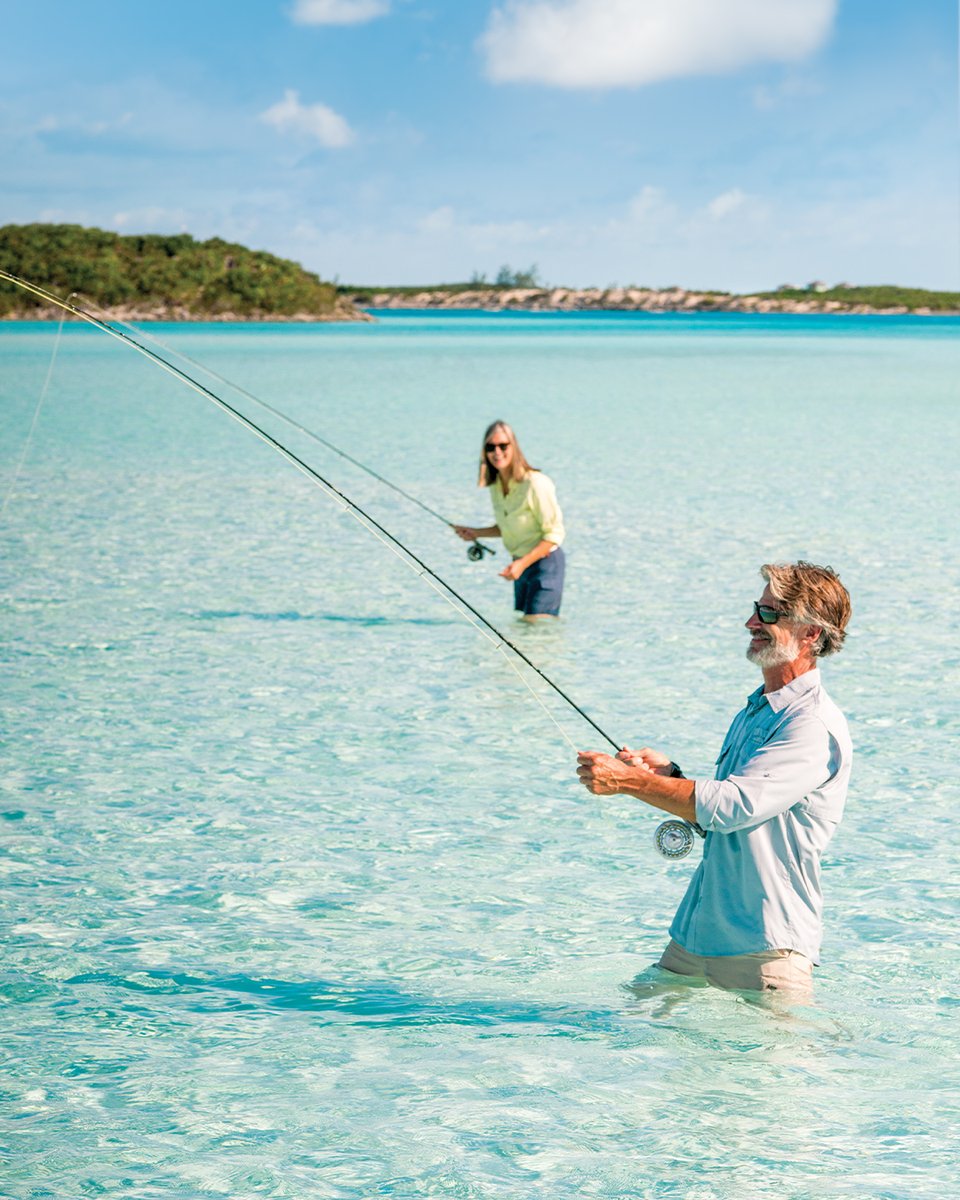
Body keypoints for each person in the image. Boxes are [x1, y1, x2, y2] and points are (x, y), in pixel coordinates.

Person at [577, 561, 853, 999]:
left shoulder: (811, 725)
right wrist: (672, 778)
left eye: (769, 614)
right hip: (696, 934)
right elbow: (725, 820)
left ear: (810, 634)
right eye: (756, 610)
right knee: (629, 1038)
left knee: (772, 1069)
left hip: (765, 949)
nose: (751, 623)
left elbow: (732, 806)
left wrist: (629, 783)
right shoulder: (758, 708)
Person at [453, 421, 566, 620]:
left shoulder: (536, 483)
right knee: (524, 629)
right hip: (520, 565)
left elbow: (554, 535)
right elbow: (506, 527)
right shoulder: (496, 485)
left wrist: (522, 563)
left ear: (514, 447)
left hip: (546, 565)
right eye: (490, 447)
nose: (497, 452)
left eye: (503, 446)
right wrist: (476, 532)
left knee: (537, 627)